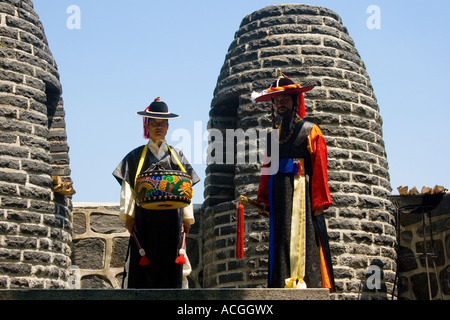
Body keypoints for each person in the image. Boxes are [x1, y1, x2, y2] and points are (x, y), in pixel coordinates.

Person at [252, 69, 335, 291]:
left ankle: (306, 284)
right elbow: (266, 170)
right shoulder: (273, 135)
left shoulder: (310, 131)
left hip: (301, 193)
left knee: (303, 236)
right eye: (277, 99)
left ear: (295, 100)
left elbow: (319, 166)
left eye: (285, 98)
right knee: (280, 238)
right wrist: (263, 199)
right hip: (279, 194)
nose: (280, 102)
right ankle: (280, 284)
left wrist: (318, 200)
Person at [113, 97, 200, 288]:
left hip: (173, 218)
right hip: (145, 220)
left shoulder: (177, 156)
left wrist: (187, 219)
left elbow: (187, 189)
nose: (158, 127)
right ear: (148, 126)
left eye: (162, 124)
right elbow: (128, 187)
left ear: (168, 127)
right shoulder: (135, 156)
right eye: (154, 123)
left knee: (171, 265)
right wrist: (129, 217)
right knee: (144, 265)